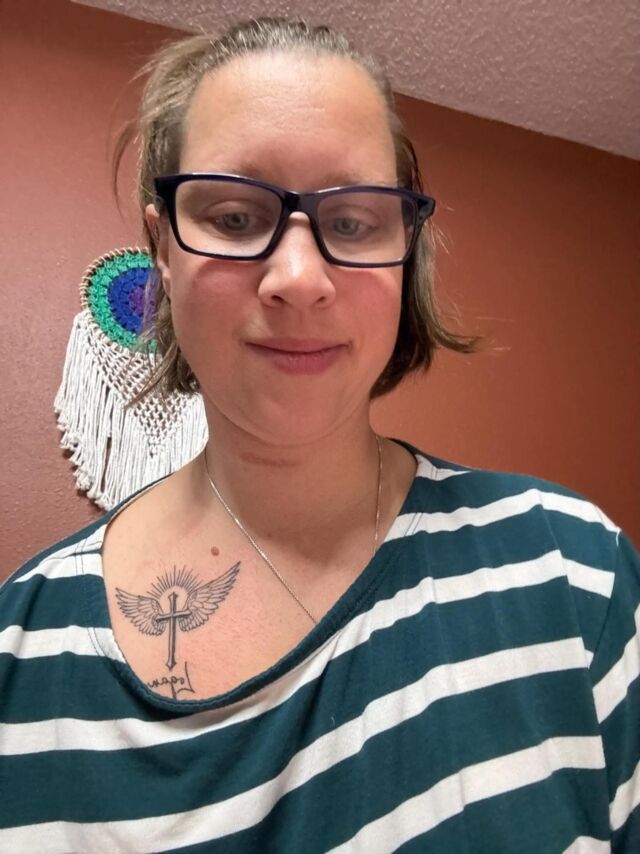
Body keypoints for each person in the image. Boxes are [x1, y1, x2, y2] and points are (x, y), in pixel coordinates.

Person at [0, 17, 638, 853]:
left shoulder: (571, 569)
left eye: (354, 222)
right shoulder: (21, 648)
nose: (299, 280)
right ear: (163, 249)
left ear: (405, 250)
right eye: (234, 217)